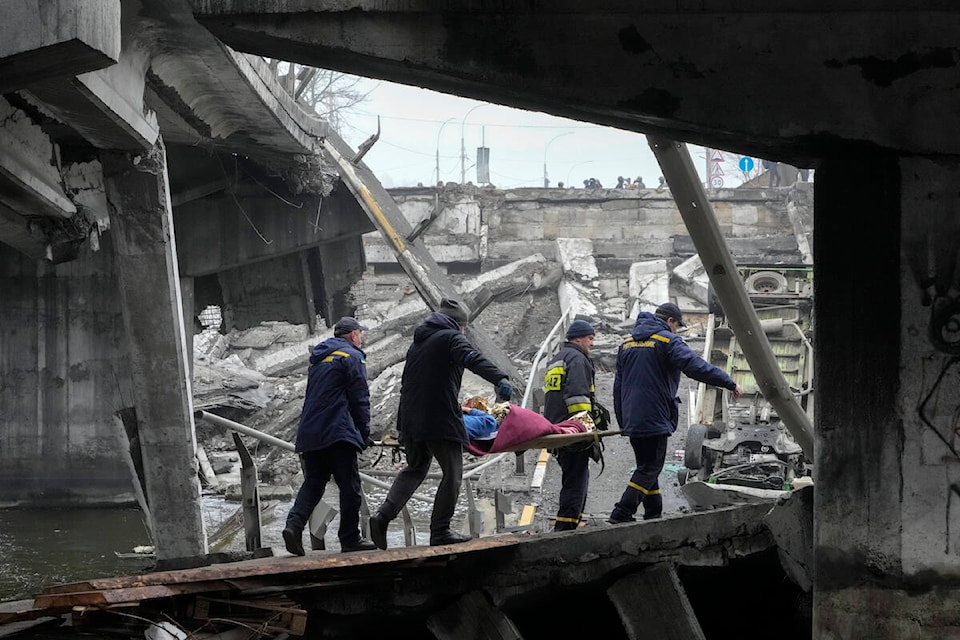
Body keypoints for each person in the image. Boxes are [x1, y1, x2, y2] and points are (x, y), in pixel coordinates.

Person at [368, 298, 514, 548]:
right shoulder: (451, 338)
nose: (465, 331)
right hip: (439, 417)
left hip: (410, 418)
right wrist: (499, 377)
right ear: (459, 324)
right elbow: (472, 358)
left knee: (415, 468)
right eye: (465, 327)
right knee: (453, 474)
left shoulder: (419, 343)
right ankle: (440, 530)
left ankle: (382, 516)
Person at [608, 303, 743, 523]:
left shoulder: (627, 343)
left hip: (633, 417)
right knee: (650, 467)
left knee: (646, 466)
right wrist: (728, 382)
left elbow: (618, 387)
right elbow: (695, 366)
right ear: (670, 321)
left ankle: (654, 513)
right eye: (677, 326)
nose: (676, 330)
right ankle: (622, 512)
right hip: (655, 416)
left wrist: (623, 420)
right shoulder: (667, 341)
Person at [282, 316, 377, 555]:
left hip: (311, 432)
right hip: (337, 432)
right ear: (353, 335)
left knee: (314, 483)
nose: (362, 338)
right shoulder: (353, 357)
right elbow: (360, 399)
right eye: (360, 334)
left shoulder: (319, 360)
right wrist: (363, 433)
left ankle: (293, 526)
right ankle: (350, 538)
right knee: (350, 487)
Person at [543, 319, 599, 531]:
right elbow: (578, 397)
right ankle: (566, 529)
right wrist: (584, 429)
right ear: (578, 338)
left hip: (556, 427)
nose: (592, 344)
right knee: (576, 479)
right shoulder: (577, 359)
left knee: (572, 475)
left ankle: (571, 522)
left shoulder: (556, 359)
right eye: (590, 339)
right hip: (572, 430)